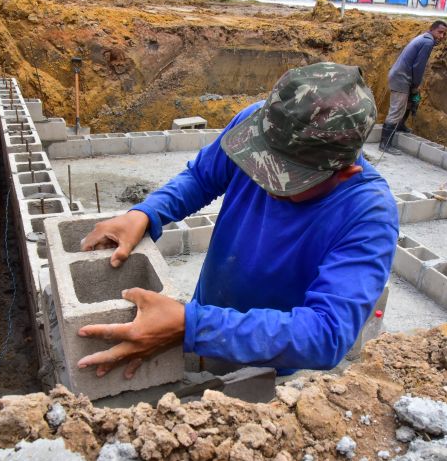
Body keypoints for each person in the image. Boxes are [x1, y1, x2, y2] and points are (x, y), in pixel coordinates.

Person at [77, 62, 398, 380]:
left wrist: (193, 326)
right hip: (203, 318)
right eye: (260, 167)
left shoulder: (369, 215)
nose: (265, 185)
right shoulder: (261, 127)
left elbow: (326, 333)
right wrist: (147, 212)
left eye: (286, 181)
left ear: (344, 174)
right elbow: (202, 177)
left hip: (268, 367)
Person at [380, 20, 447, 155]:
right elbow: (418, 67)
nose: (441, 36)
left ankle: (400, 126)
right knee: (396, 110)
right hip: (401, 78)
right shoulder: (427, 43)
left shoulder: (423, 38)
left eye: (444, 34)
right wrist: (415, 86)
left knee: (408, 103)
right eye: (440, 32)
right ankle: (384, 144)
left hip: (401, 76)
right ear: (432, 29)